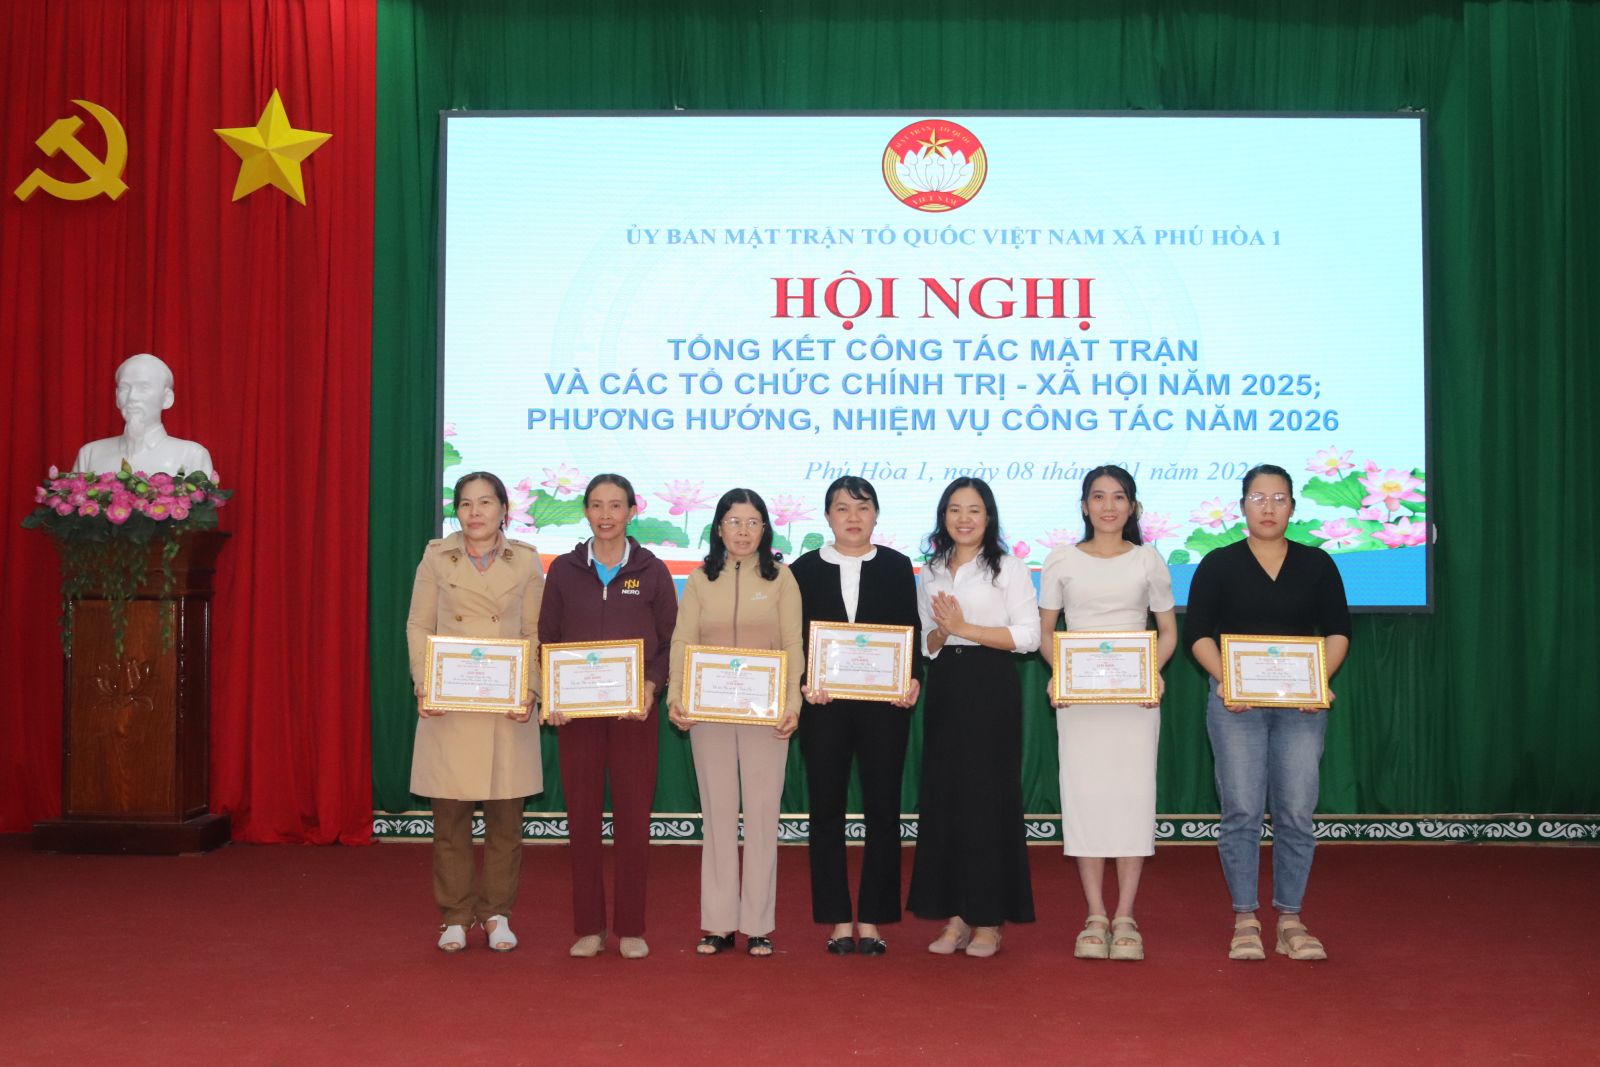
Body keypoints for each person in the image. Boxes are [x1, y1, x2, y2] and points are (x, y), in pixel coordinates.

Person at [1185, 463, 1351, 962]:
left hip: (1301, 706)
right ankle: (1245, 918)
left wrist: (1318, 681)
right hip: (1235, 706)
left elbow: (1338, 631)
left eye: (1279, 499)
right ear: (1242, 507)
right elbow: (1197, 634)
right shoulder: (1218, 563)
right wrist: (1227, 681)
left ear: (1293, 507)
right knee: (1241, 810)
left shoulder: (1317, 564)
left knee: (1296, 811)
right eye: (1258, 498)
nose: (1269, 508)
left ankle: (1291, 919)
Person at [1038, 465, 1177, 962]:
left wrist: (1150, 673)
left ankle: (1126, 915)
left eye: (1119, 497)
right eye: (1098, 497)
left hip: (1134, 701)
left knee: (1133, 799)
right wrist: (1061, 674)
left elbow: (1167, 631)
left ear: (1133, 506)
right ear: (1084, 506)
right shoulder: (1060, 559)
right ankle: (1095, 914)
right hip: (1080, 701)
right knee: (1086, 799)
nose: (1108, 506)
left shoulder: (1148, 559)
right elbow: (1046, 632)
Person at [539, 474, 678, 960]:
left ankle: (631, 927)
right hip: (577, 716)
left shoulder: (652, 570)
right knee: (581, 820)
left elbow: (670, 642)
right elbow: (547, 640)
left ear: (632, 512)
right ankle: (589, 928)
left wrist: (651, 685)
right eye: (596, 505)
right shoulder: (563, 570)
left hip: (634, 714)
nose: (605, 515)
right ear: (585, 511)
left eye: (615, 505)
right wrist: (553, 693)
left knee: (634, 821)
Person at [406, 471, 544, 953]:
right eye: (465, 503)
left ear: (504, 509)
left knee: (506, 822)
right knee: (451, 820)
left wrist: (530, 689)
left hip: (506, 705)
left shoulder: (525, 560)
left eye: (486, 502)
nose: (475, 512)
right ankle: (455, 915)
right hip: (452, 702)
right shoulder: (435, 556)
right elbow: (419, 623)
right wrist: (425, 682)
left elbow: (534, 630)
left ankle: (497, 913)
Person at [907, 477, 1040, 958]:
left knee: (987, 801)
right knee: (947, 801)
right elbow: (927, 643)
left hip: (991, 686)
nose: (964, 519)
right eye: (955, 509)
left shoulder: (1009, 568)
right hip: (947, 687)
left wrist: (965, 627)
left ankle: (988, 920)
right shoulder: (931, 571)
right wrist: (944, 632)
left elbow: (1028, 636)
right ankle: (955, 917)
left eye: (974, 510)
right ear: (943, 516)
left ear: (988, 517)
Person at [668, 488, 804, 957]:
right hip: (709, 714)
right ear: (718, 528)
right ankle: (719, 923)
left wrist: (793, 704)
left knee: (763, 818)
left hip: (767, 715)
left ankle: (759, 924)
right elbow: (683, 640)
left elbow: (793, 644)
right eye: (733, 521)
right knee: (718, 816)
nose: (743, 531)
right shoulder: (699, 579)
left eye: (752, 522)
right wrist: (677, 697)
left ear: (765, 529)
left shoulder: (782, 578)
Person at [791, 476, 922, 957]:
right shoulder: (803, 569)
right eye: (842, 508)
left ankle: (872, 917)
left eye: (863, 508)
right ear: (827, 516)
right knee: (825, 811)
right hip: (823, 706)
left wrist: (912, 679)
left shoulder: (896, 565)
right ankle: (837, 918)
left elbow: (910, 631)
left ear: (876, 515)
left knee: (883, 810)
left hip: (884, 708)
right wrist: (804, 681)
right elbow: (793, 637)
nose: (853, 517)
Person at [74, 353, 215, 477]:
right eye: (124, 388)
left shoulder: (192, 455)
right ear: (117, 397)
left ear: (167, 398)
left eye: (143, 387)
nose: (132, 397)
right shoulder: (90, 455)